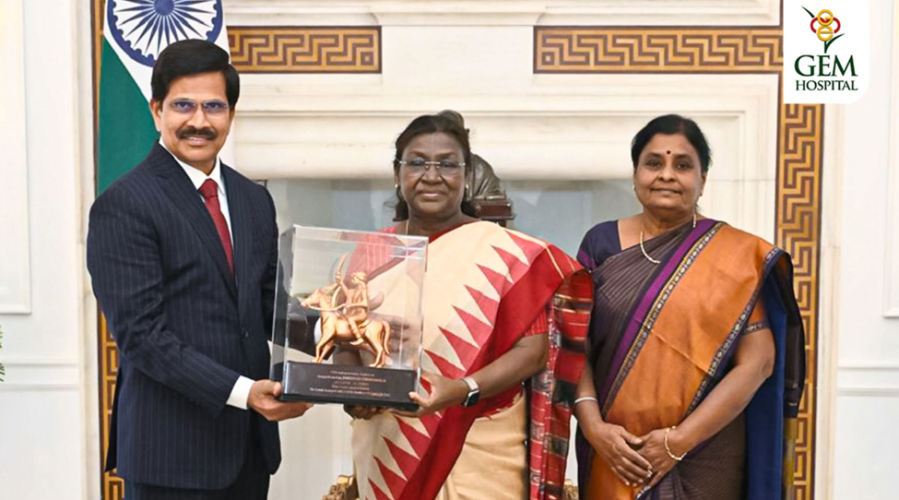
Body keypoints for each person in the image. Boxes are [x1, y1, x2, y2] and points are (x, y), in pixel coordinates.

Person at [87, 39, 311, 500]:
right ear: (157, 111)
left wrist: (349, 333)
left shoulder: (253, 200)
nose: (199, 121)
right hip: (170, 454)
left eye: (214, 106)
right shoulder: (124, 205)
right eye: (183, 105)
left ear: (231, 114)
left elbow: (270, 304)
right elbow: (142, 336)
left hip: (249, 450)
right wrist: (244, 391)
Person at [347, 114, 593, 500]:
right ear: (397, 173)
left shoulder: (505, 252)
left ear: (465, 175)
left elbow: (533, 352)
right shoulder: (368, 251)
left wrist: (462, 388)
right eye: (417, 162)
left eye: (447, 163)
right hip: (389, 447)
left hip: (480, 445)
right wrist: (352, 392)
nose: (431, 175)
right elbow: (346, 335)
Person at [573, 114, 806, 500]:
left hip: (705, 451)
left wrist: (679, 441)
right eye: (653, 163)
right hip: (615, 453)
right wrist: (595, 428)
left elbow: (759, 362)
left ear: (702, 180)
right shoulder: (601, 244)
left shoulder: (736, 257)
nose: (667, 174)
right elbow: (572, 343)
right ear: (635, 175)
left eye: (682, 165)